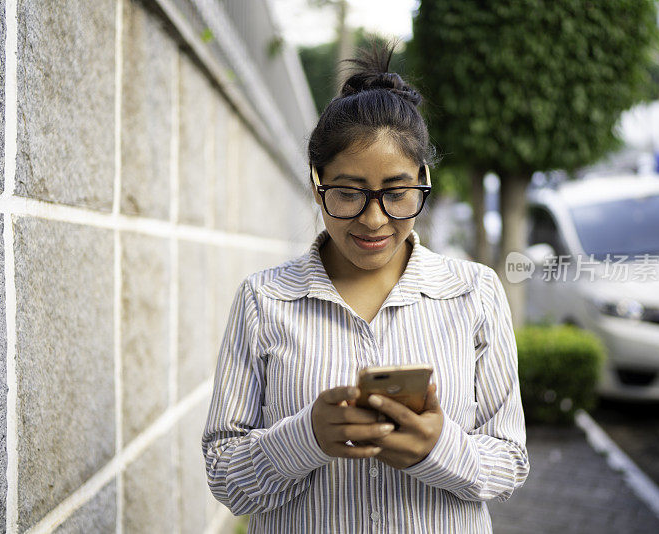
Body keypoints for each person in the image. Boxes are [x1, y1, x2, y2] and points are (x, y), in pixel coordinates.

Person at [201, 41, 529, 533]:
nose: (374, 220)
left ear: (423, 179)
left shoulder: (474, 294)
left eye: (397, 193)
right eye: (348, 193)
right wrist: (307, 437)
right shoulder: (263, 301)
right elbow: (225, 475)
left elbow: (509, 464)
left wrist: (438, 448)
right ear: (317, 185)